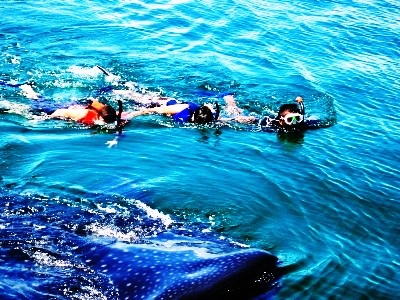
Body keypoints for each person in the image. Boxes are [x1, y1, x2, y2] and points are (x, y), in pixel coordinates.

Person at [15, 83, 118, 126]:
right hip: (54, 110)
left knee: (42, 99)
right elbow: (62, 112)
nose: (104, 123)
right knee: (36, 100)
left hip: (71, 106)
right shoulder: (84, 115)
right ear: (98, 116)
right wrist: (43, 118)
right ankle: (26, 87)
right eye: (104, 121)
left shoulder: (110, 115)